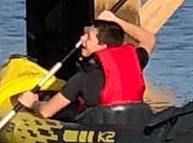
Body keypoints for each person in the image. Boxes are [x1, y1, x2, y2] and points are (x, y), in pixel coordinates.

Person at [16, 10, 158, 121]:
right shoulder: (135, 60)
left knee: (66, 111)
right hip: (133, 122)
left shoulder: (83, 77)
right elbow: (149, 39)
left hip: (99, 128)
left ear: (102, 46)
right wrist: (116, 20)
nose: (82, 39)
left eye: (88, 37)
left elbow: (46, 111)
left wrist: (33, 103)